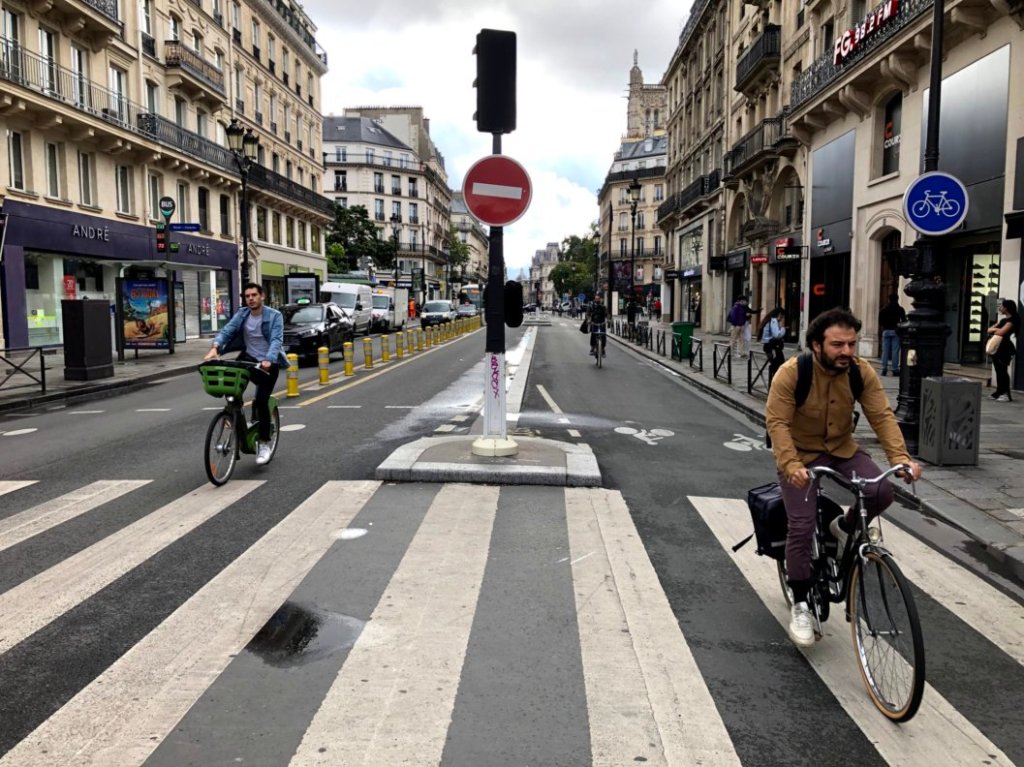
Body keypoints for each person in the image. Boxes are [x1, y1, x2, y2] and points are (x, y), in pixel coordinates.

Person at [765, 307, 922, 648]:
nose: (847, 351)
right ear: (817, 345)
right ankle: (802, 603)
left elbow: (880, 414)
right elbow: (777, 423)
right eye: (838, 344)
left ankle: (845, 526)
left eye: (851, 344)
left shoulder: (859, 371)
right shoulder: (792, 373)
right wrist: (791, 466)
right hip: (801, 456)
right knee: (802, 526)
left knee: (881, 492)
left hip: (842, 449)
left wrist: (901, 459)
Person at [204, 283, 289, 465]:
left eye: (254, 295)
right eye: (247, 296)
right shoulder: (242, 314)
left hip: (267, 363)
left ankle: (265, 442)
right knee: (231, 389)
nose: (250, 299)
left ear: (262, 296)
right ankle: (233, 416)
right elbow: (227, 331)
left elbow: (276, 339)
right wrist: (215, 347)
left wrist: (269, 359)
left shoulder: (274, 316)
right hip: (248, 358)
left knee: (260, 402)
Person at [986, 298, 1018, 402]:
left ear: (1007, 308)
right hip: (998, 347)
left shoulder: (1013, 320)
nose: (1000, 308)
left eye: (1002, 306)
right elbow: (989, 330)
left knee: (1002, 371)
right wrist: (997, 329)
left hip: (1005, 348)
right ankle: (999, 392)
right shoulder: (1004, 320)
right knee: (998, 370)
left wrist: (996, 329)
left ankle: (1005, 394)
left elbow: (1001, 333)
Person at [878, 293, 906, 376]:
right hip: (896, 331)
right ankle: (895, 369)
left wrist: (885, 326)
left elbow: (880, 321)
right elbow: (904, 320)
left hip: (886, 330)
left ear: (889, 300)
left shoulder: (884, 309)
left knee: (885, 351)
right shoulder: (900, 309)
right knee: (895, 351)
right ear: (897, 299)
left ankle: (884, 369)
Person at [759, 307, 787, 383]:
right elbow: (777, 334)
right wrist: (783, 328)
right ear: (779, 314)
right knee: (778, 365)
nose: (782, 319)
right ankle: (775, 384)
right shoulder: (773, 321)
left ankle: (775, 383)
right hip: (772, 346)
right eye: (782, 316)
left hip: (769, 346)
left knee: (777, 365)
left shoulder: (770, 319)